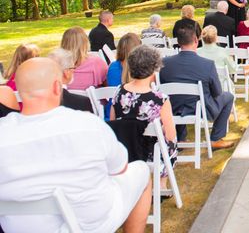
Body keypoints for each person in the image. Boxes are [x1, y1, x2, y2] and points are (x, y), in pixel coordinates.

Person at [0, 58, 151, 233]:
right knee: (142, 170)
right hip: (90, 224)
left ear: (17, 89)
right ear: (57, 87)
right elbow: (119, 168)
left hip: (23, 228)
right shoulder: (87, 123)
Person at [111, 46, 177, 188]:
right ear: (154, 69)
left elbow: (113, 121)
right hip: (150, 153)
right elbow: (170, 135)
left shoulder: (118, 91)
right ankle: (162, 184)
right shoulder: (160, 99)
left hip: (124, 148)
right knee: (171, 143)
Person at [160, 26, 235, 150]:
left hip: (173, 108)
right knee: (228, 96)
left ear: (178, 42)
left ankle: (180, 138)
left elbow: (163, 89)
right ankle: (216, 138)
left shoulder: (164, 63)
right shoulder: (207, 64)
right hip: (200, 110)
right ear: (196, 40)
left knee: (179, 98)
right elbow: (217, 92)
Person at [48, 48, 94, 113]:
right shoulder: (81, 103)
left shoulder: (35, 100)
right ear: (67, 73)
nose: (74, 70)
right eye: (72, 68)